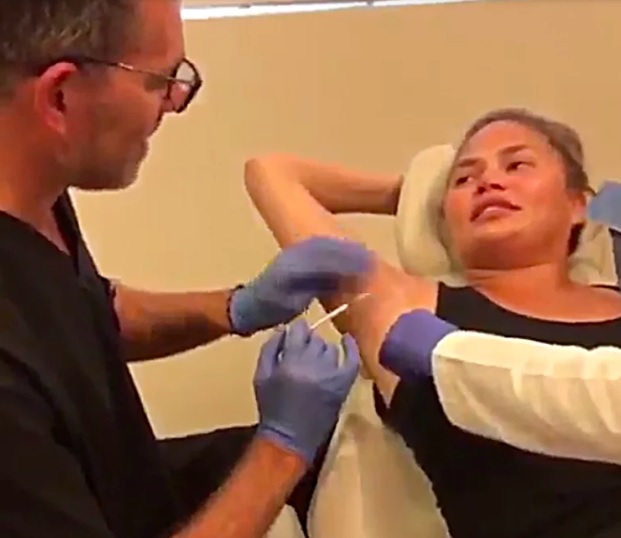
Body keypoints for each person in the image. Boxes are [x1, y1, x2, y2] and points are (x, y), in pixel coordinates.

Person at [0, 1, 374, 538]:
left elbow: (78, 309)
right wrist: (282, 449)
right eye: (159, 81)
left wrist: (235, 306)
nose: (175, 101)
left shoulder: (33, 184)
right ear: (60, 97)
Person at [245, 107, 621, 537]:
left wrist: (605, 209)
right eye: (463, 179)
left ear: (578, 203)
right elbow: (271, 173)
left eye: (517, 165)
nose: (488, 182)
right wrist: (416, 196)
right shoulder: (410, 309)